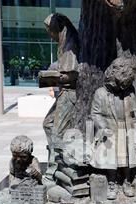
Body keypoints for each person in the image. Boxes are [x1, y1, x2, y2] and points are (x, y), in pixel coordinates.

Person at [90, 56, 136, 200]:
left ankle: (127, 181)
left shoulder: (129, 93)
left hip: (126, 129)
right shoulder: (100, 93)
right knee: (111, 159)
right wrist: (102, 127)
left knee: (126, 158)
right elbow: (95, 114)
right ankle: (112, 183)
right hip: (110, 130)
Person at [42, 13, 79, 181]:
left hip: (70, 95)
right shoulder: (63, 44)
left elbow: (71, 76)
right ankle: (56, 164)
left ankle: (59, 169)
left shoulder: (71, 45)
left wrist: (51, 78)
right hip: (64, 93)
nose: (50, 35)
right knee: (48, 124)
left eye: (51, 31)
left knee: (57, 130)